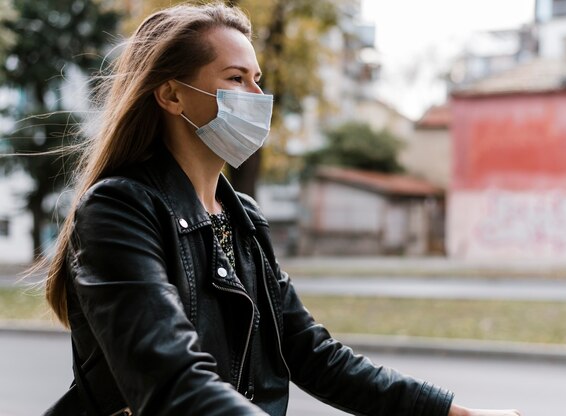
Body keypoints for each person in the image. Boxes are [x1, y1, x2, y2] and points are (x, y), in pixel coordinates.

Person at [44, 2, 521, 415]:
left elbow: (310, 353)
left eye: (258, 80)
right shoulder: (118, 210)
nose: (258, 98)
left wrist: (451, 412)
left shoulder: (242, 218)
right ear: (171, 95)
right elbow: (171, 379)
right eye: (235, 78)